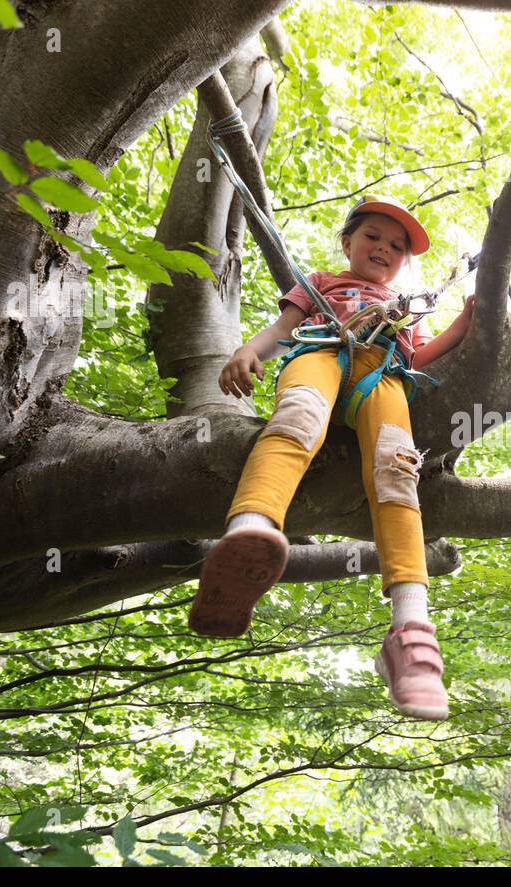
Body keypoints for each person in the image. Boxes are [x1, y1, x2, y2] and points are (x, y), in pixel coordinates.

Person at [188, 194, 474, 722]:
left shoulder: (406, 306)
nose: (384, 249)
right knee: (297, 418)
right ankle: (247, 535)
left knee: (397, 470)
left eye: (396, 246)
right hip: (320, 351)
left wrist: (463, 325)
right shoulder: (321, 282)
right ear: (348, 242)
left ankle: (410, 631)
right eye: (373, 237)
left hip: (382, 373)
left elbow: (419, 355)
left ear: (405, 262)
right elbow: (281, 332)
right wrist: (248, 351)